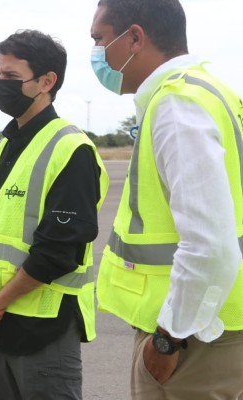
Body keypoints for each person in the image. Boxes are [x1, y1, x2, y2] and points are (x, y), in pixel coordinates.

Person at [90, 1, 243, 398]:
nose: (97, 54)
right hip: (212, 327)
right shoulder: (213, 93)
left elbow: (209, 244)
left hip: (194, 343)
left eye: (99, 40)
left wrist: (167, 342)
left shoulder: (177, 105)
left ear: (135, 39)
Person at [0, 29, 109, 399]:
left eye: (11, 77)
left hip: (44, 329)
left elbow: (59, 250)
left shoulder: (72, 149)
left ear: (47, 81)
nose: (1, 85)